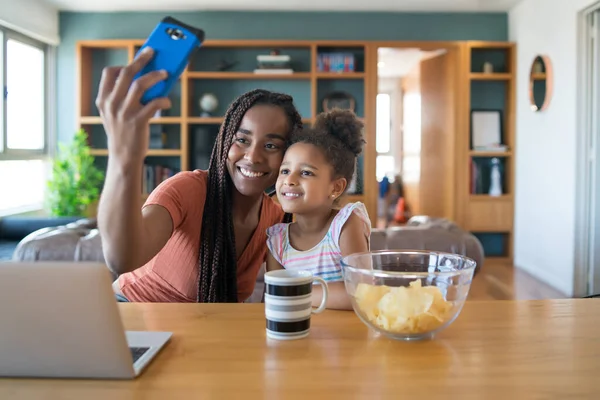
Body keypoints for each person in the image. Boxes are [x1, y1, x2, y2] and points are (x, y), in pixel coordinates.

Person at [95, 47, 303, 303]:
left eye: (271, 145)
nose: (253, 156)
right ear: (225, 140)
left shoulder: (276, 217)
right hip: (130, 315)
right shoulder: (187, 190)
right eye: (242, 140)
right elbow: (121, 259)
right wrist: (123, 156)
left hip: (199, 332)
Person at [265, 109, 371, 310]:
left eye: (305, 172)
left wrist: (292, 291)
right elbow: (274, 299)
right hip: (297, 335)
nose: (289, 180)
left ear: (336, 187)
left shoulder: (345, 225)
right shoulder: (277, 241)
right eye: (285, 170)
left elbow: (361, 293)